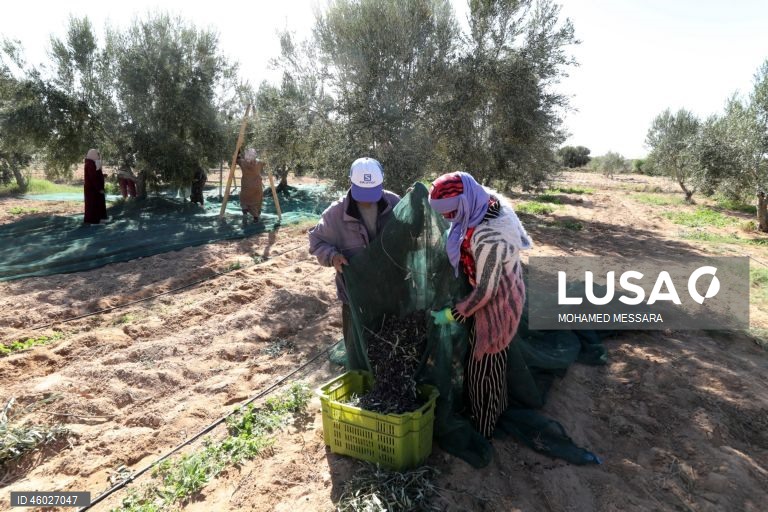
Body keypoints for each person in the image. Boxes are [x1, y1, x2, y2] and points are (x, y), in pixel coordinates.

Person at [427, 171, 532, 439]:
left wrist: (452, 314)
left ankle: (484, 428)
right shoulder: (482, 200)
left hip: (500, 306)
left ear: (464, 203)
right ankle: (496, 408)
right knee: (491, 363)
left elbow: (487, 292)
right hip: (488, 291)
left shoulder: (490, 236)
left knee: (482, 367)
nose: (447, 218)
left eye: (450, 213)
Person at [308, 157, 401, 370]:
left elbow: (411, 233)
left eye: (372, 193)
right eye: (362, 193)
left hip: (392, 294)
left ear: (382, 183)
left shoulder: (394, 203)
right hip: (355, 298)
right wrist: (332, 256)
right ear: (351, 183)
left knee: (394, 349)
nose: (367, 200)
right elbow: (316, 241)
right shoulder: (335, 214)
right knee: (358, 351)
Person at [236, 148, 264, 223]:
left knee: (244, 198)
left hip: (246, 185)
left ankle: (245, 209)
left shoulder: (243, 162)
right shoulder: (259, 162)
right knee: (256, 201)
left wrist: (238, 151)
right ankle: (255, 217)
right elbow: (265, 162)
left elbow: (237, 159)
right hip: (257, 186)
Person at [83, 148, 108, 224]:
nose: (98, 156)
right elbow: (93, 178)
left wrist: (102, 176)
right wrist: (99, 188)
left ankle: (96, 219)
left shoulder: (92, 163)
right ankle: (94, 220)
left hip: (93, 189)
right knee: (94, 204)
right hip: (93, 190)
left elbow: (96, 174)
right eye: (97, 154)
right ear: (93, 155)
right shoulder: (90, 164)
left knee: (94, 204)